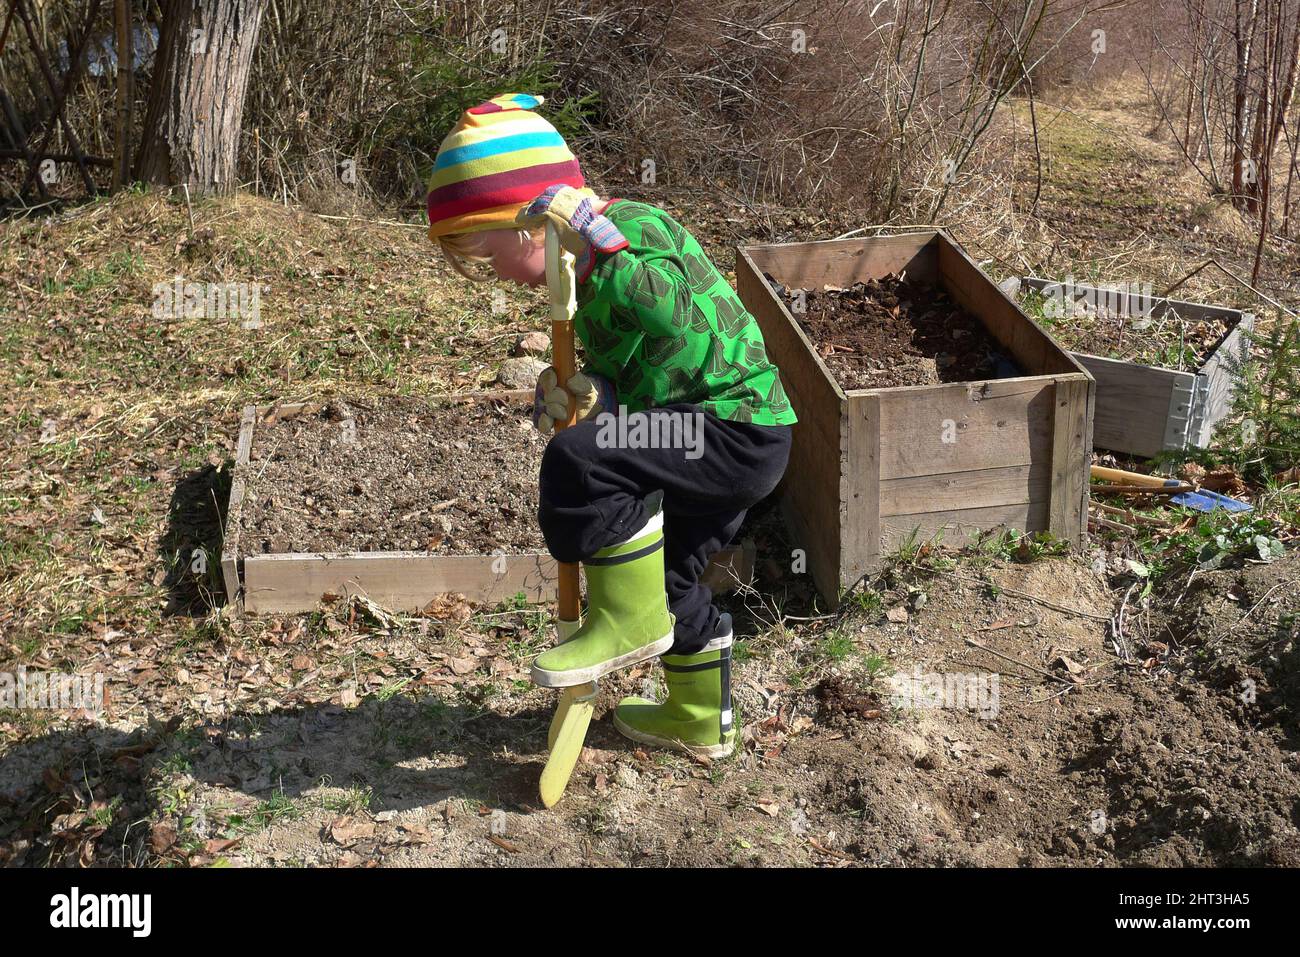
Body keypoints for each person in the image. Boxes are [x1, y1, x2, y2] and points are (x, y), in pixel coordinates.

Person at [426, 93, 796, 757]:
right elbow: (639, 372)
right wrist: (587, 392)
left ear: (529, 222)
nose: (500, 277)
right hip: (700, 433)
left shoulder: (633, 231)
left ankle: (621, 620)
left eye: (491, 256)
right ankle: (699, 717)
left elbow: (677, 316)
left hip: (736, 428)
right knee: (673, 579)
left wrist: (605, 246)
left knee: (581, 461)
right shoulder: (580, 291)